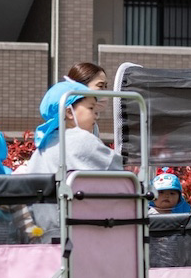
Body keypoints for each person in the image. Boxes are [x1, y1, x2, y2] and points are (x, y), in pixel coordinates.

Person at [21, 81, 121, 241]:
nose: (96, 114)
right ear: (68, 112)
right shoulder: (83, 140)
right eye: (91, 108)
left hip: (46, 235)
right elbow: (118, 173)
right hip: (83, 233)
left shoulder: (42, 147)